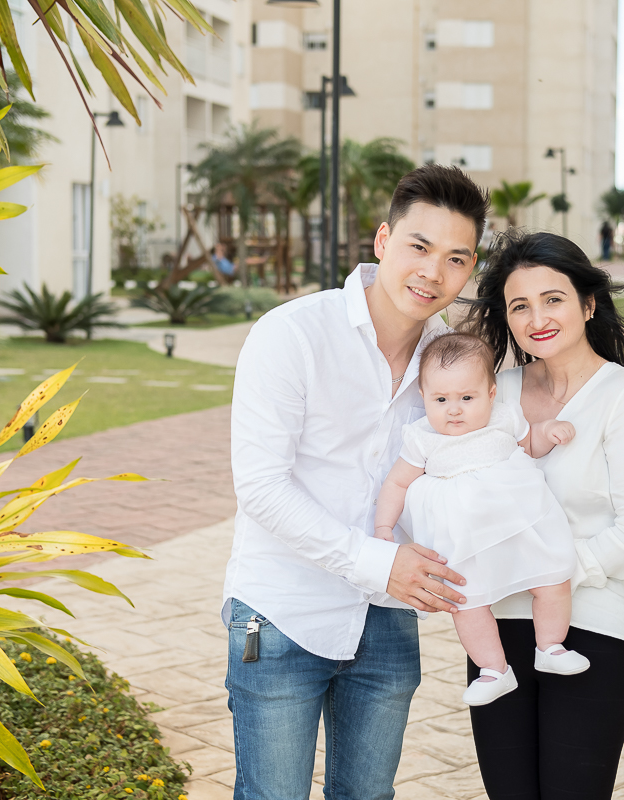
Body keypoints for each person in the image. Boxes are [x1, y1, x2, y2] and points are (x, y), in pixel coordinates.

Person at [223, 164, 489, 800]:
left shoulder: (448, 359)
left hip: (390, 620)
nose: (432, 273)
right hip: (282, 611)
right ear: (382, 241)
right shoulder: (291, 334)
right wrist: (377, 562)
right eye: (418, 247)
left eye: (456, 258)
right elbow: (260, 487)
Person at [464, 230, 624, 800]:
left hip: (592, 624)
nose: (537, 318)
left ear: (587, 303)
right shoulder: (493, 395)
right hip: (498, 633)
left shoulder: (622, 398)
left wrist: (547, 576)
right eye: (519, 305)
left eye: (553, 299)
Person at [374, 332, 587, 707]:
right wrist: (382, 526)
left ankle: (551, 645)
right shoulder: (423, 438)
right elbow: (397, 482)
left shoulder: (503, 418)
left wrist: (548, 432)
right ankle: (493, 669)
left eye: (466, 398)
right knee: (467, 603)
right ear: (423, 398)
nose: (454, 410)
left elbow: (529, 444)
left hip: (521, 527)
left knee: (553, 577)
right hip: (466, 543)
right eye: (441, 400)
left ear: (490, 394)